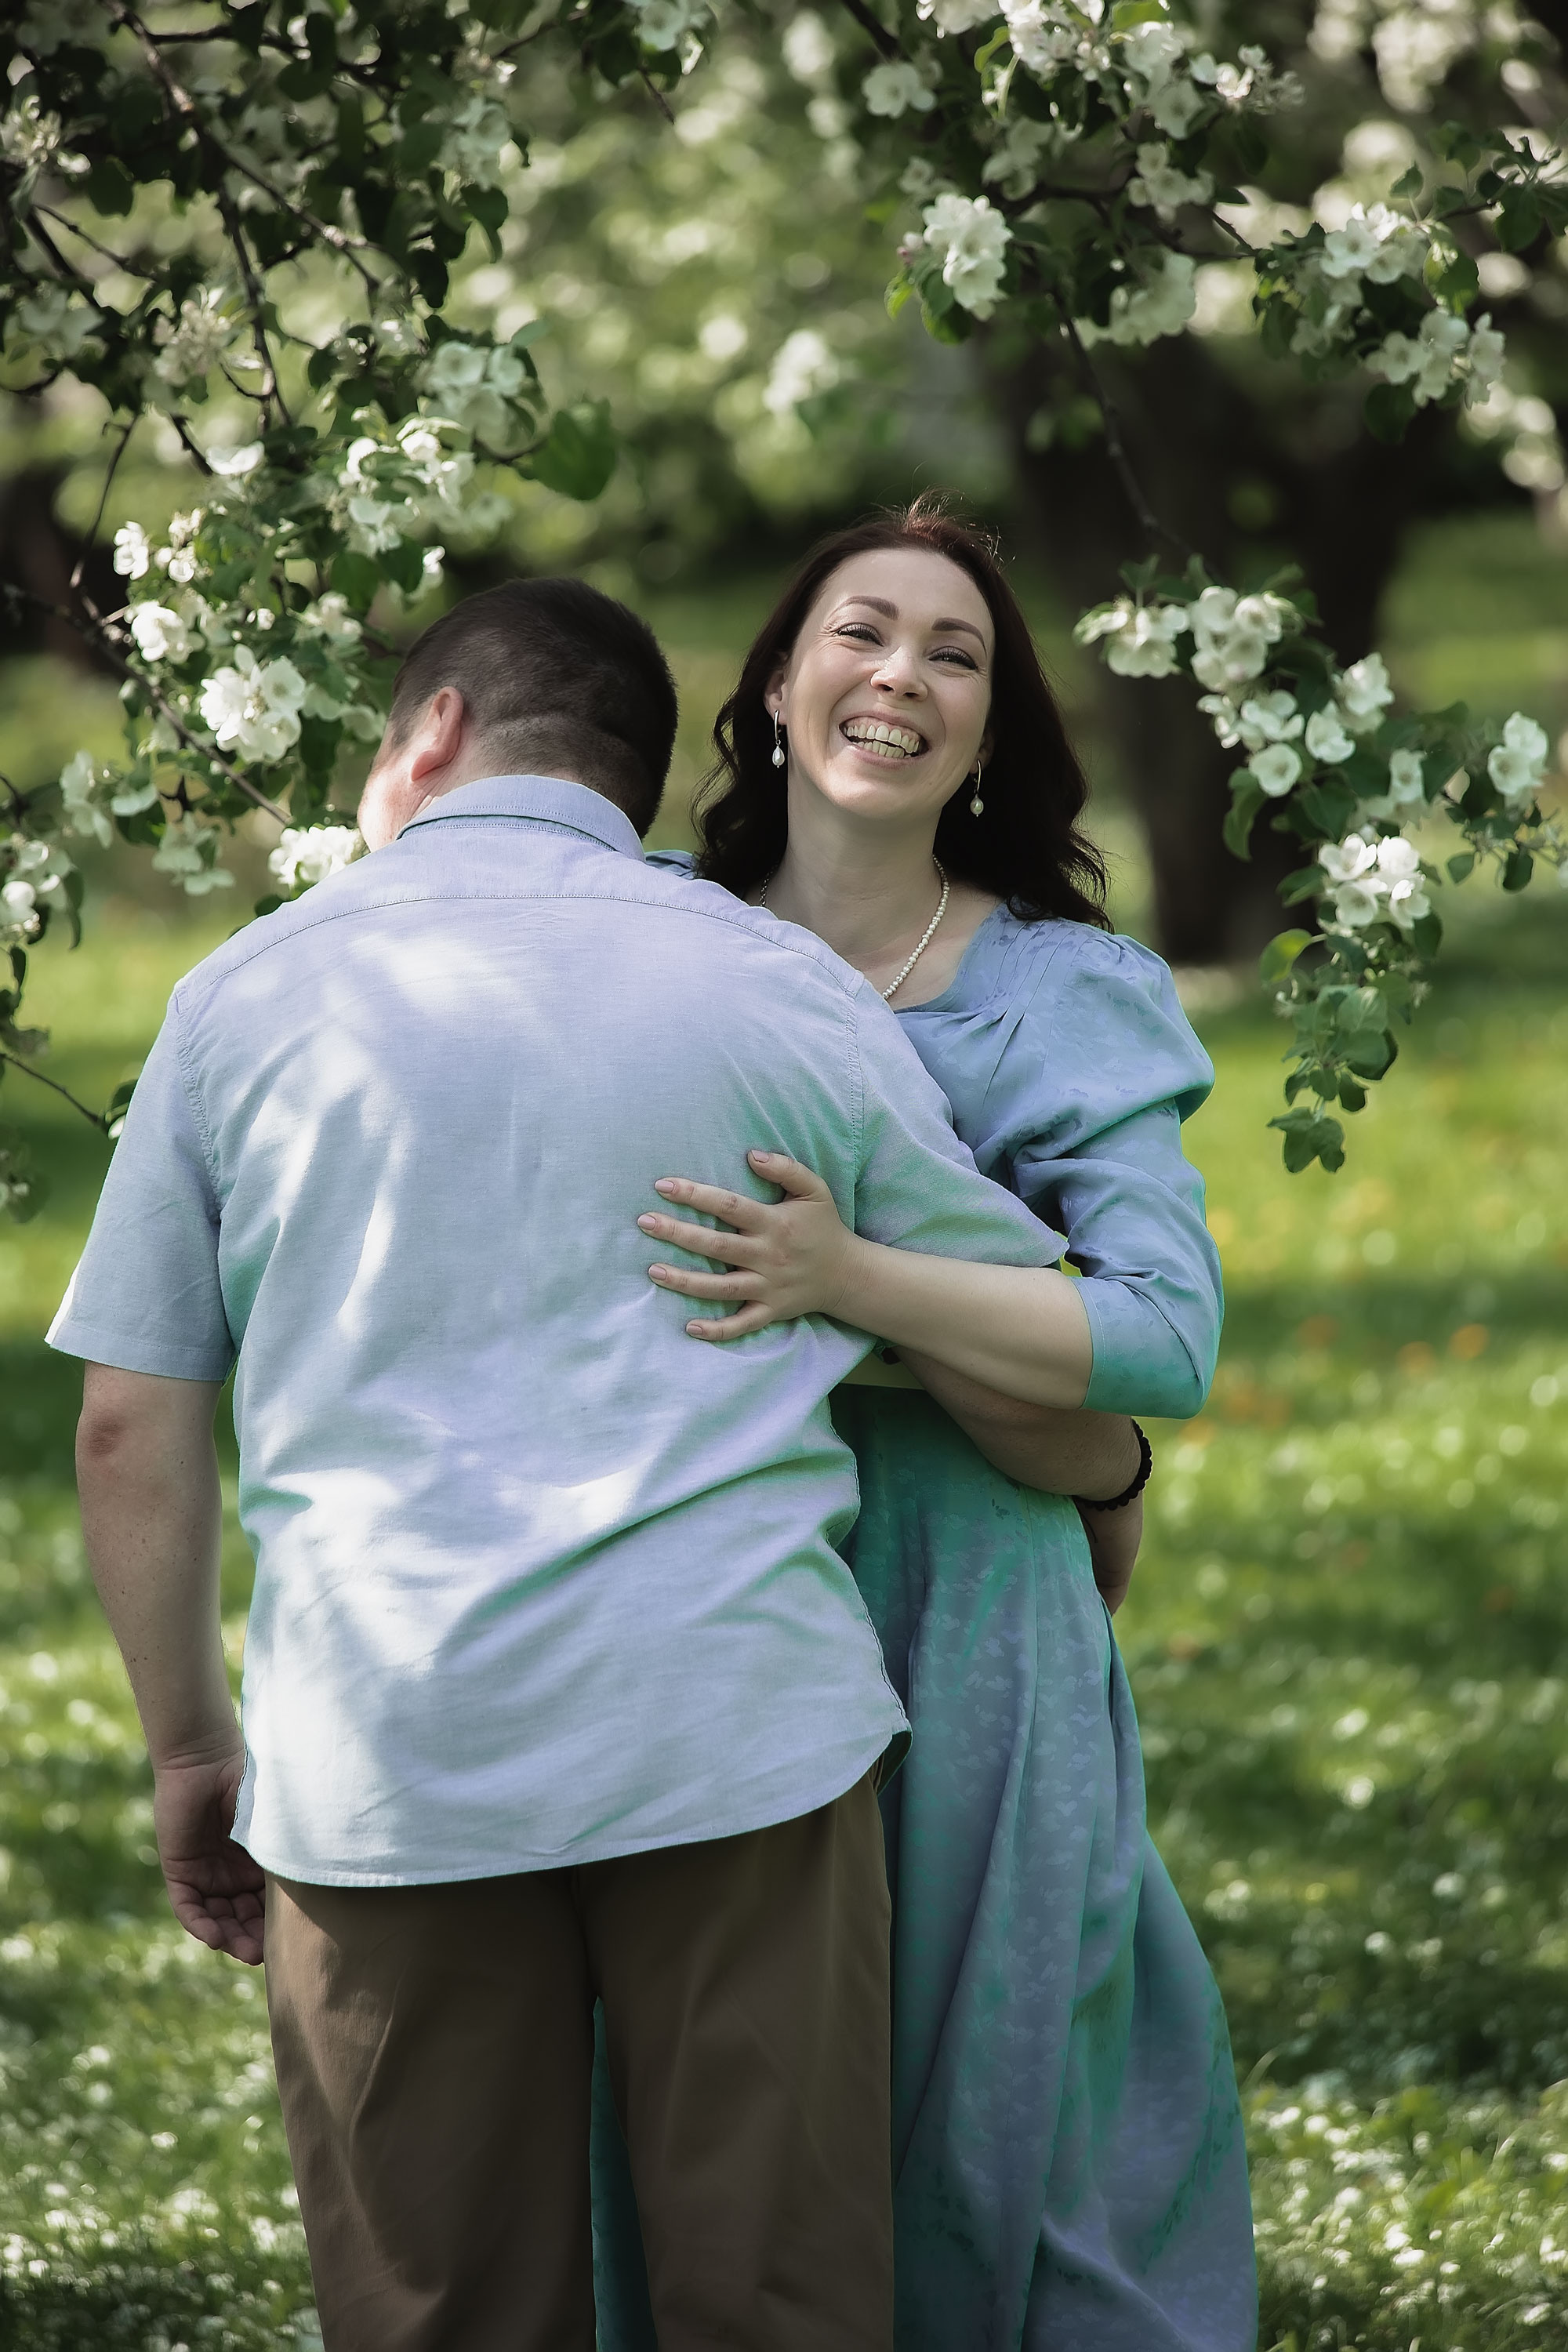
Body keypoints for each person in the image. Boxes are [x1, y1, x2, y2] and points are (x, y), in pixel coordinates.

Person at [49, 576, 1145, 2352]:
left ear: (432, 739)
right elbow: (1001, 1324)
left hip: (389, 1754)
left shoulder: (241, 999)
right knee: (776, 2303)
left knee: (438, 2311)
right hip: (738, 1737)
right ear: (626, 783)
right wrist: (1107, 1481)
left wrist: (191, 1747)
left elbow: (129, 1419)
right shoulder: (774, 984)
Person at [590, 501, 1258, 2352]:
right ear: (780, 685)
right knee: (701, 2100)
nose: (901, 675)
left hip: (971, 1602)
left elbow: (1155, 1336)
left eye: (952, 654)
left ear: (983, 730)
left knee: (989, 2098)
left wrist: (857, 1281)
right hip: (695, 1576)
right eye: (860, 633)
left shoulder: (1059, 987)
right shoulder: (644, 943)